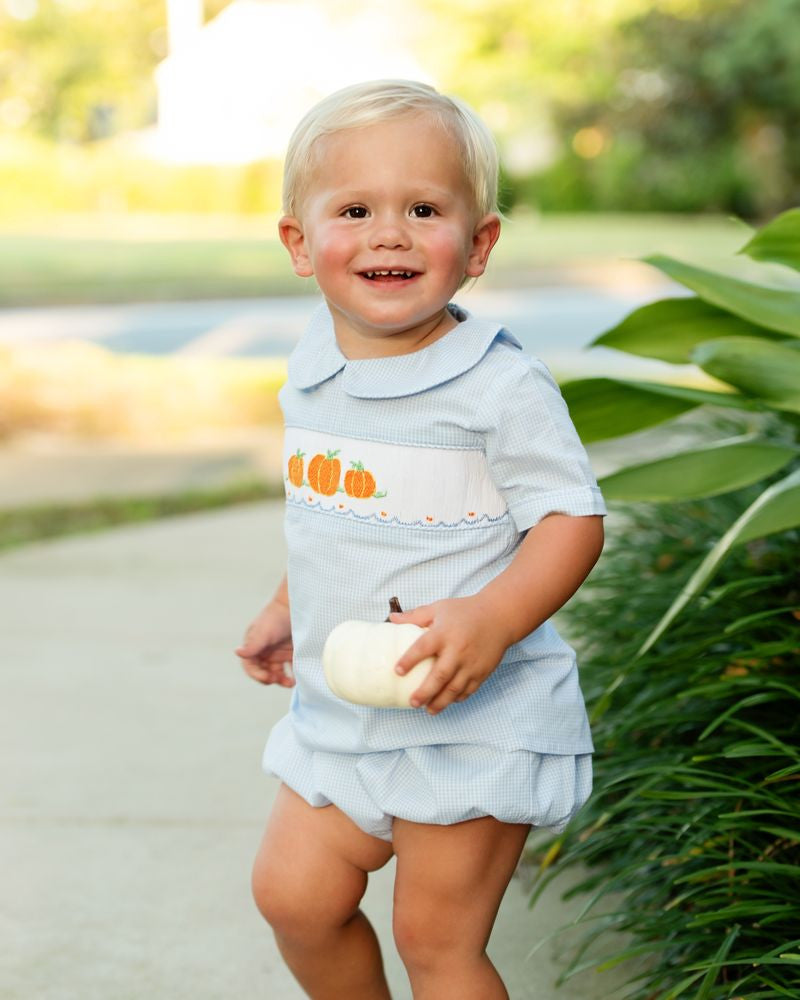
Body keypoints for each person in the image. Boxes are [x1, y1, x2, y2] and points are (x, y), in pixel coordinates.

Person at [235, 79, 606, 1000]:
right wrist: (289, 604)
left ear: (478, 245)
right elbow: (332, 510)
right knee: (293, 897)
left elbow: (572, 519)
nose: (389, 232)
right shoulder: (313, 368)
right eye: (354, 208)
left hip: (475, 720)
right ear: (299, 242)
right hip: (342, 714)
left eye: (424, 209)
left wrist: (492, 617)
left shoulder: (498, 386)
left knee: (434, 942)